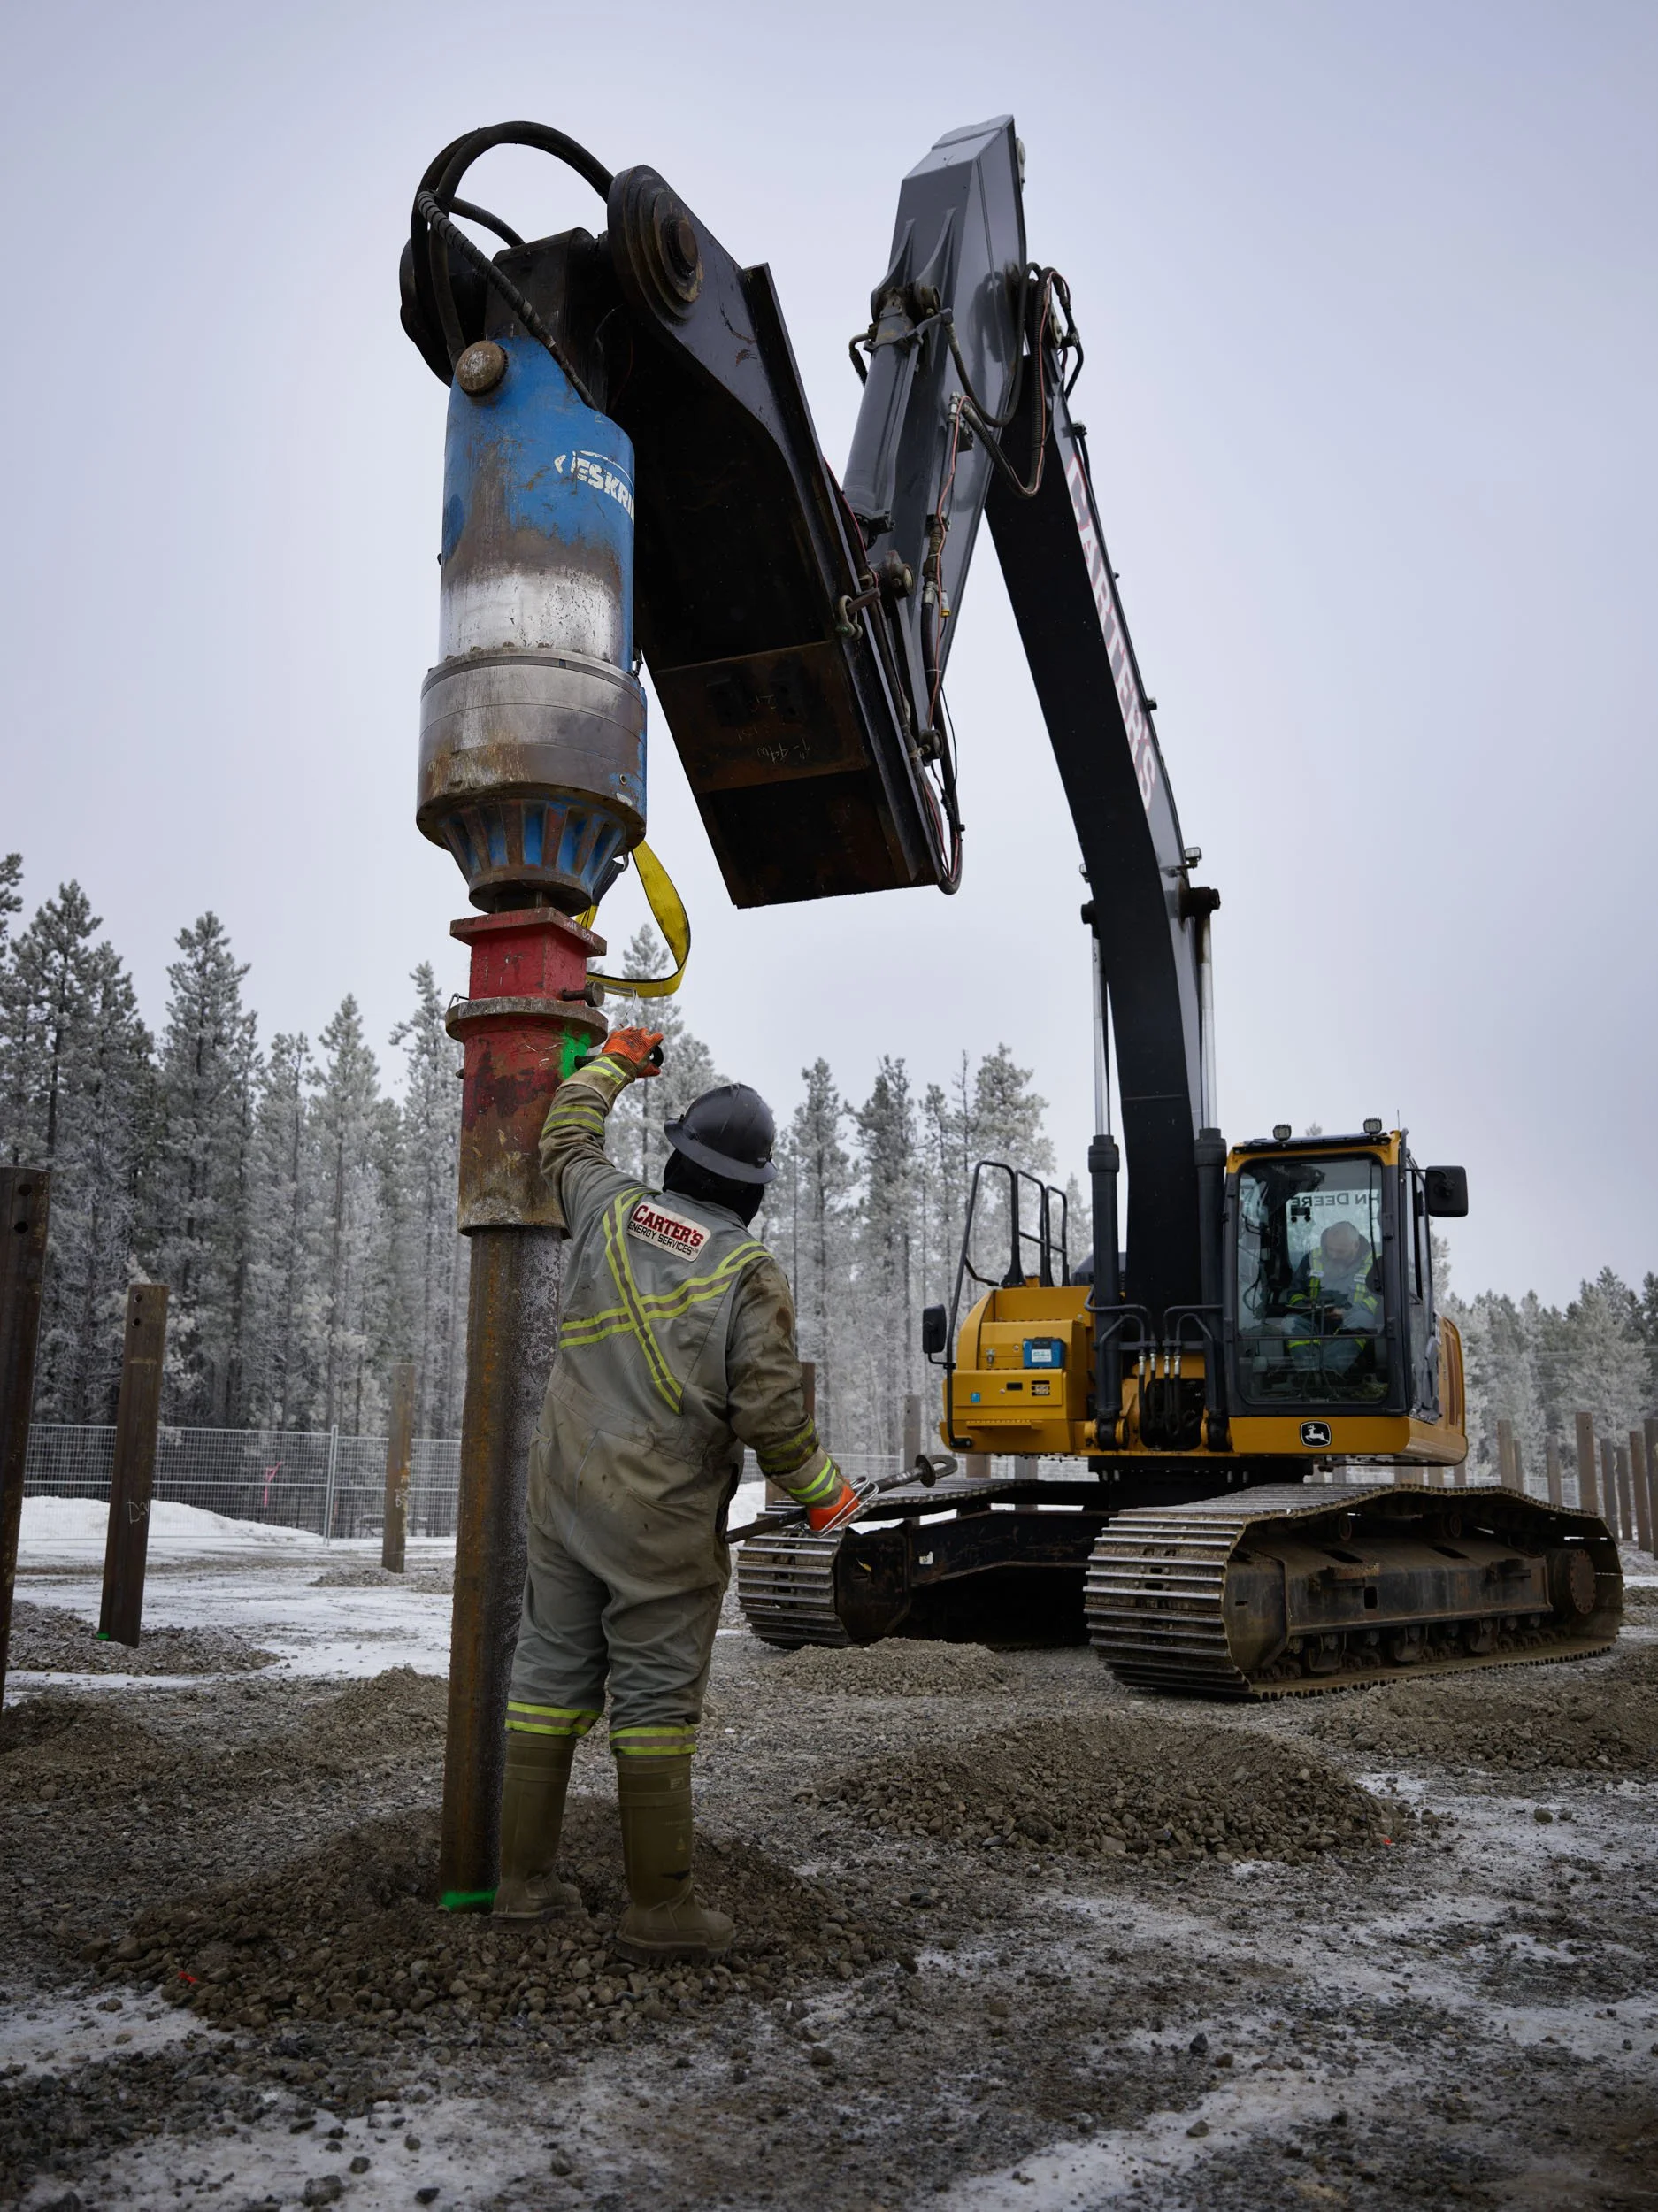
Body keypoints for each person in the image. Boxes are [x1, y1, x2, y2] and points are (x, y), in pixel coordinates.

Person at [493, 1025, 861, 1962]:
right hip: (658, 1518)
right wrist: (822, 1491)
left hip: (562, 1492)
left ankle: (522, 1885)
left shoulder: (609, 1208)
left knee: (547, 1677)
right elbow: (770, 1412)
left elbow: (566, 1136)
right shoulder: (746, 1271)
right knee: (653, 1700)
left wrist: (613, 1061)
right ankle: (658, 1908)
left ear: (677, 1157)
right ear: (754, 1187)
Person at [1286, 1217, 1382, 1379]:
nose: (1333, 1255)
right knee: (1291, 1322)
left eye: (1340, 1251)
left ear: (1356, 1245)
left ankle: (1328, 1373)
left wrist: (1347, 1312)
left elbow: (1380, 1299)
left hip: (1352, 1319)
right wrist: (1305, 1307)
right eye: (1330, 1249)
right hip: (1315, 1318)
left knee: (1363, 1319)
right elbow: (1294, 1292)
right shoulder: (1312, 1258)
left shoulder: (1376, 1263)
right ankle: (1308, 1371)